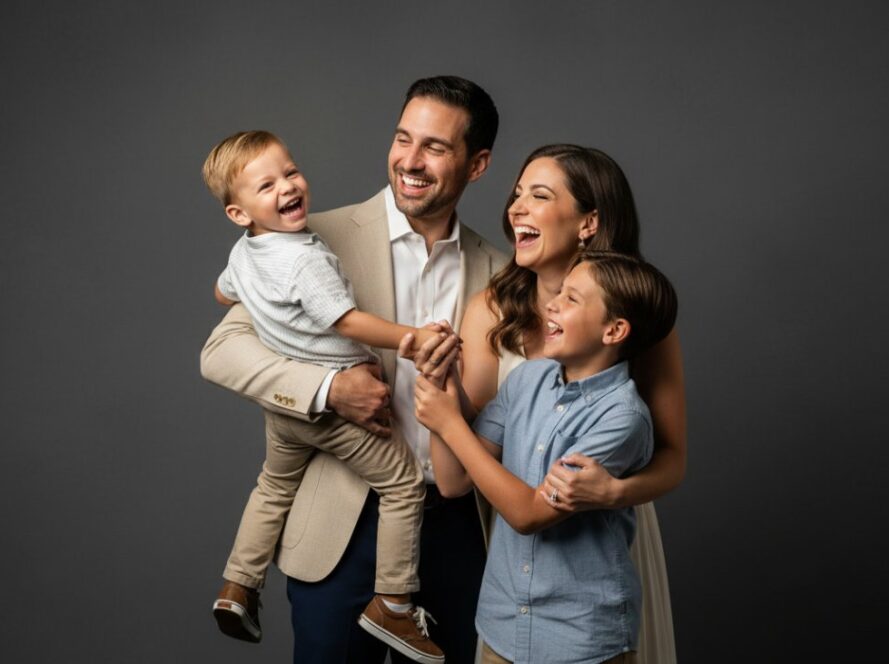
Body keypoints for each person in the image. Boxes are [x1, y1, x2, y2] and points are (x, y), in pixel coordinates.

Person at [200, 76, 506, 663]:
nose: (410, 162)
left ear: (478, 163)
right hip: (341, 523)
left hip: (459, 530)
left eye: (435, 148)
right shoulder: (311, 237)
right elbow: (221, 352)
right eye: (402, 139)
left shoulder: (501, 272)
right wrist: (330, 388)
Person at [404, 145, 685, 662]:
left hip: (597, 547)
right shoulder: (491, 310)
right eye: (516, 195)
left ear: (588, 222)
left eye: (538, 195)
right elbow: (460, 470)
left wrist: (612, 492)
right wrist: (443, 393)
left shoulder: (638, 314)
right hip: (514, 564)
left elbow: (671, 459)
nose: (515, 208)